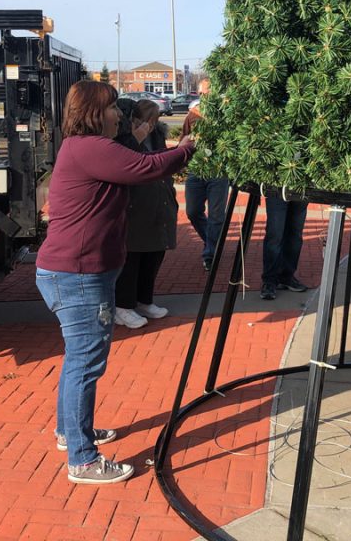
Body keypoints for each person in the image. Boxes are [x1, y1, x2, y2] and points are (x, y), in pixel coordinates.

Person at [35, 80, 194, 485]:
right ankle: (83, 460)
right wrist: (188, 148)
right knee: (86, 363)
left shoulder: (85, 147)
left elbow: (138, 159)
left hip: (76, 272)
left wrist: (173, 148)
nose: (118, 116)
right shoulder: (91, 147)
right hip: (78, 275)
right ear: (93, 112)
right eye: (111, 109)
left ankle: (71, 432)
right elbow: (147, 168)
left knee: (78, 360)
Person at [113, 99, 177, 329]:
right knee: (132, 258)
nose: (150, 124)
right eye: (146, 119)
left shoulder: (157, 134)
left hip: (158, 201)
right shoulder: (122, 138)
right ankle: (123, 305)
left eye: (154, 120)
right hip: (135, 206)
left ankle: (144, 300)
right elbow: (124, 162)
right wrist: (136, 136)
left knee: (154, 253)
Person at [181, 79, 229, 271]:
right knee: (193, 211)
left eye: (208, 94)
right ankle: (211, 241)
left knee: (217, 215)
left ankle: (210, 254)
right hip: (196, 170)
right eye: (201, 94)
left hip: (218, 171)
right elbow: (184, 139)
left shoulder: (225, 114)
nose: (204, 97)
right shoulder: (193, 114)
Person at [260, 195, 309, 300]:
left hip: (301, 192)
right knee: (274, 234)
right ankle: (269, 281)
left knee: (295, 235)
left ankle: (287, 276)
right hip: (276, 191)